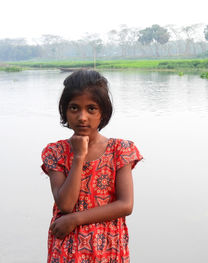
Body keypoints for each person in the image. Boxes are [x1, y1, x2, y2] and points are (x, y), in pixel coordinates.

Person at [41, 70, 143, 263]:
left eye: (91, 109)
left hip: (108, 246)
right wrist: (79, 156)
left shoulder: (120, 150)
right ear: (64, 111)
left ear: (103, 112)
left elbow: (125, 205)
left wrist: (76, 219)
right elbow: (66, 204)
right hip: (68, 248)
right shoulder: (56, 152)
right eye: (74, 108)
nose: (82, 117)